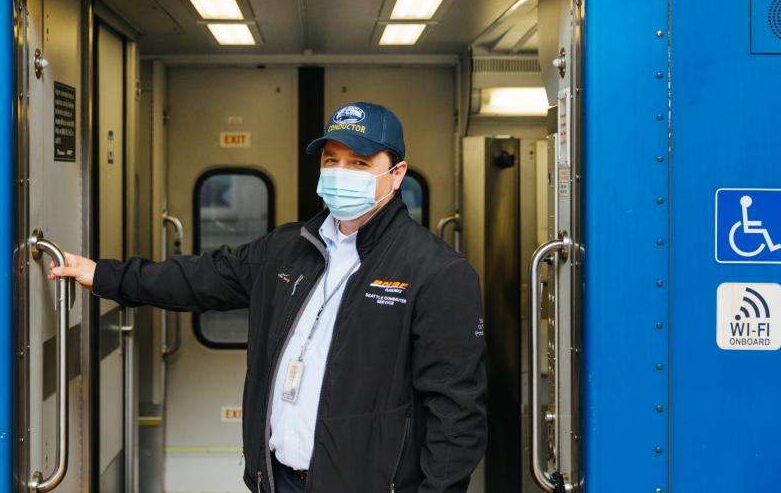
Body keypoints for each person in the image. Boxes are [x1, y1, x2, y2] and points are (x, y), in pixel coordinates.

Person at [51, 101, 487, 493]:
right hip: (276, 478)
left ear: (397, 174)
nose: (340, 173)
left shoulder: (437, 272)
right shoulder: (288, 248)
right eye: (331, 160)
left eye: (358, 163)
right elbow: (202, 277)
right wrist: (105, 275)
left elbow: (457, 414)